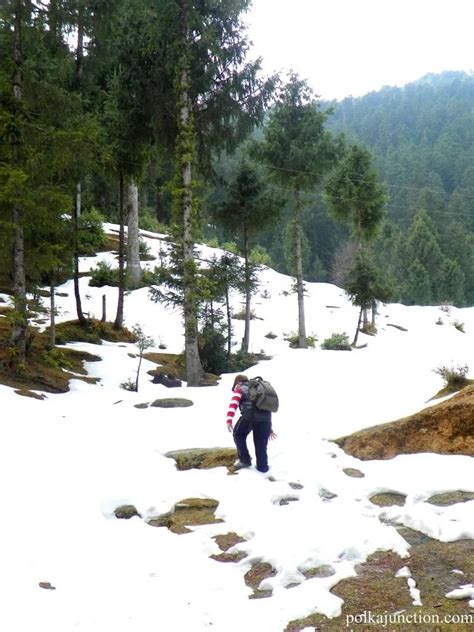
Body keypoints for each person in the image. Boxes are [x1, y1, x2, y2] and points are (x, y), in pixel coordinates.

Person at [226, 374, 275, 473]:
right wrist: (269, 428)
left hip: (248, 418)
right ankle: (263, 467)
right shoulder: (259, 389)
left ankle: (245, 460)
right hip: (266, 420)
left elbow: (233, 404)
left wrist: (229, 419)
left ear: (238, 382)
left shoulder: (240, 388)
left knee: (238, 434)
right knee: (260, 443)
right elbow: (265, 408)